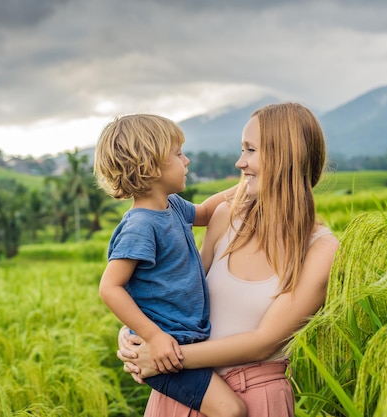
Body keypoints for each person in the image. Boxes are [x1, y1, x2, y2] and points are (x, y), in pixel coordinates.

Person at [117, 102, 340, 417]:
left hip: (256, 398)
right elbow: (178, 294)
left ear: (284, 157)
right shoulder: (225, 218)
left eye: (250, 150)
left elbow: (264, 342)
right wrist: (135, 336)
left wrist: (163, 357)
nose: (240, 162)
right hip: (184, 393)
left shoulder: (321, 250)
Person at [94, 114, 246, 417]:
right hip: (165, 351)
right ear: (150, 165)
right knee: (231, 411)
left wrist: (247, 185)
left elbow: (203, 213)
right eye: (178, 154)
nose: (186, 161)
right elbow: (110, 288)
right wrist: (154, 336)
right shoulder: (140, 225)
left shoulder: (173, 206)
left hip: (185, 339)